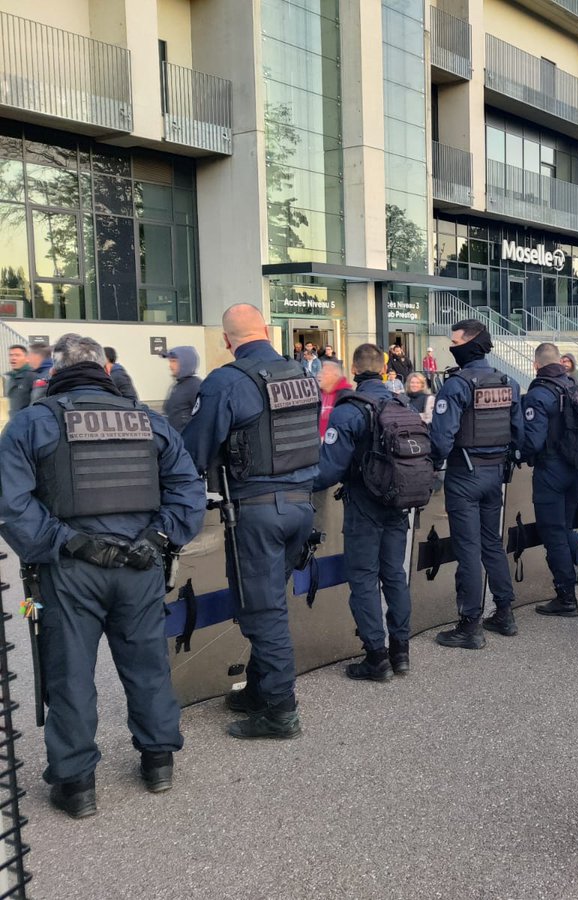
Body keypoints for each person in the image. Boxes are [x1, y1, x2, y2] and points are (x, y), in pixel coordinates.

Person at [0, 334, 205, 817]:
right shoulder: (148, 420)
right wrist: (157, 539)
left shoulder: (32, 422)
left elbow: (11, 503)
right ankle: (158, 762)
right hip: (140, 565)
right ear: (105, 370)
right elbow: (187, 489)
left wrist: (66, 542)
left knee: (70, 672)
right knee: (148, 664)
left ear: (55, 372)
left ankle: (76, 786)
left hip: (69, 569)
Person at [182, 304, 320, 740]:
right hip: (301, 505)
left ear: (227, 340)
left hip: (258, 511)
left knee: (263, 611)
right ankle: (259, 690)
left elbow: (193, 451)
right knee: (270, 602)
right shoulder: (302, 374)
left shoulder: (226, 381)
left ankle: (281, 712)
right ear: (267, 330)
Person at [315, 344, 419, 680]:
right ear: (385, 369)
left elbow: (328, 470)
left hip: (364, 503)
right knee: (394, 575)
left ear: (355, 371)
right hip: (398, 500)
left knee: (363, 577)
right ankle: (400, 652)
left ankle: (376, 657)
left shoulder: (349, 410)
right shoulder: (401, 403)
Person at [429, 319, 523, 649]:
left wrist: (432, 465)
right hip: (495, 474)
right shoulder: (508, 382)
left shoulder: (457, 385)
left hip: (464, 474)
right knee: (491, 543)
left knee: (468, 548)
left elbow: (441, 439)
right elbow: (519, 433)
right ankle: (505, 613)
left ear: (471, 344)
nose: (452, 347)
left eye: (455, 342)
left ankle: (470, 625)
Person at [517, 342, 578, 622]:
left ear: (536, 365)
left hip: (550, 469)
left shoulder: (539, 393)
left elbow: (533, 441)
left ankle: (567, 597)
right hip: (575, 467)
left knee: (554, 533)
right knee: (564, 528)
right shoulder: (574, 385)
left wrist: (517, 451)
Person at [162, 346, 202, 433]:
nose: (170, 366)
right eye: (170, 361)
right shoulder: (178, 386)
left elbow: (204, 418)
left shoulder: (195, 386)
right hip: (174, 438)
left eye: (174, 361)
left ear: (186, 363)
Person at [318, 359, 354, 435]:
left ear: (335, 376)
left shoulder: (347, 397)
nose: (319, 375)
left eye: (324, 373)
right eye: (320, 372)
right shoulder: (317, 394)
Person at [6, 344, 34, 413]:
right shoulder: (11, 377)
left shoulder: (33, 376)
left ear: (27, 358)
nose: (13, 358)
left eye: (17, 355)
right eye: (11, 355)